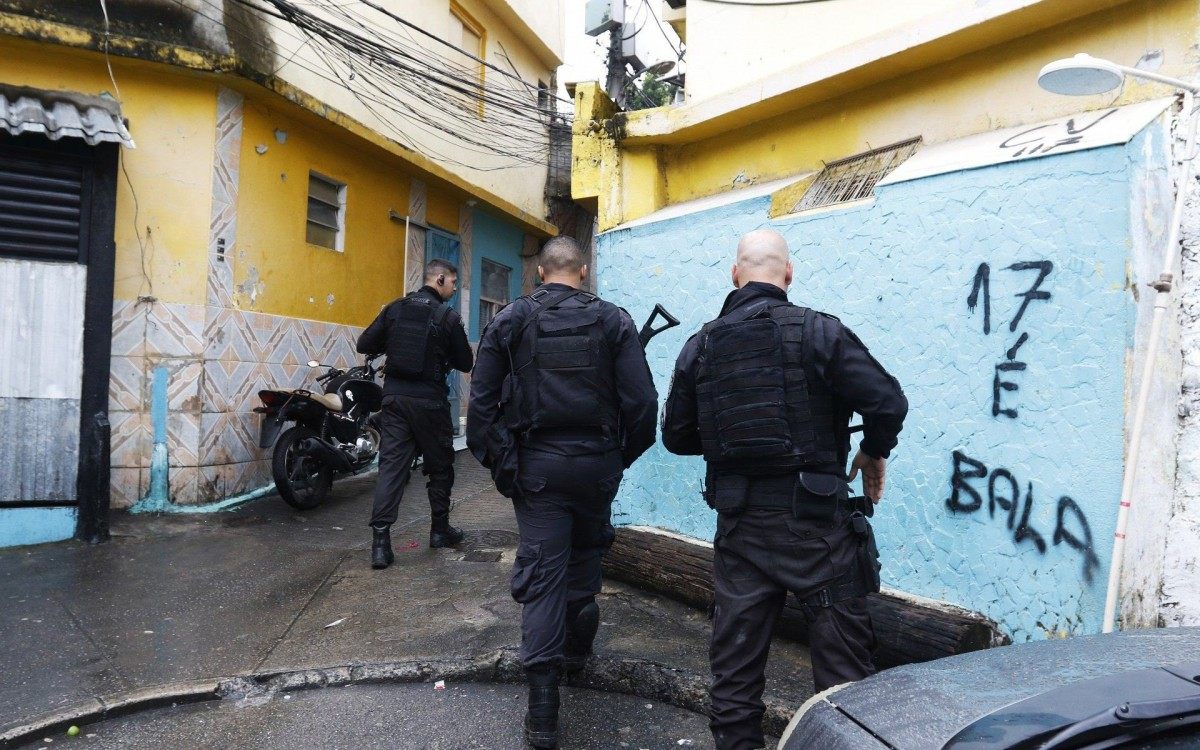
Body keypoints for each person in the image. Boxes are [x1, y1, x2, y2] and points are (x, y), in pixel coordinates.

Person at [662, 228, 908, 750]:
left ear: (735, 275)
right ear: (788, 274)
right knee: (845, 689)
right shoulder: (820, 333)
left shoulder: (699, 347)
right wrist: (872, 450)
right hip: (819, 532)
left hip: (742, 531)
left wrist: (732, 436)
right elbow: (887, 402)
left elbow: (676, 437)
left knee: (735, 681)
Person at [467, 236, 658, 749]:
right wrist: (617, 460)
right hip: (595, 466)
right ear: (584, 269)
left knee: (543, 575)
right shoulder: (614, 320)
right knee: (586, 558)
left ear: (539, 273)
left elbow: (480, 413)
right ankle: (577, 653)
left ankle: (545, 713)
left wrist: (508, 467)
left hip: (539, 470)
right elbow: (642, 407)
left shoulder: (510, 320)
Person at [357, 258, 474, 569]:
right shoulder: (446, 316)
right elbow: (466, 362)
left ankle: (380, 545)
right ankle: (439, 530)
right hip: (429, 403)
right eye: (451, 282)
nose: (453, 288)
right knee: (441, 466)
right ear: (438, 280)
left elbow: (364, 342)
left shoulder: (394, 309)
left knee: (392, 469)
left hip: (394, 400)